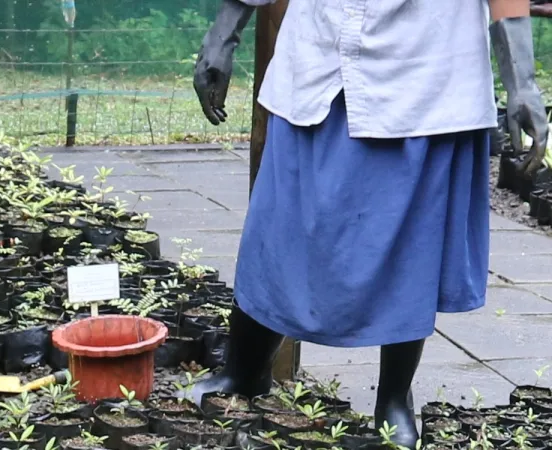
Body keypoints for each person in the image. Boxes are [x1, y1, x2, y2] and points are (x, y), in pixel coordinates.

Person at [189, 0, 550, 446]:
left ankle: (394, 399)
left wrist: (521, 80)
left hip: (424, 68)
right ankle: (243, 372)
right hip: (318, 54)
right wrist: (223, 33)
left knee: (410, 242)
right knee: (279, 226)